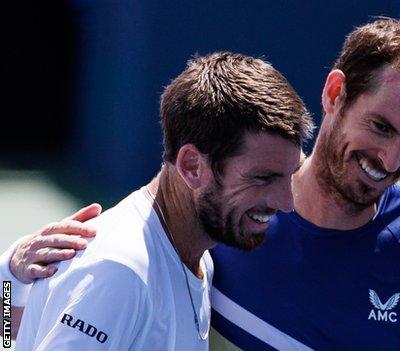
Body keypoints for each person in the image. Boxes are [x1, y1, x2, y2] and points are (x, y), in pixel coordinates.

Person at [3, 18, 400, 350]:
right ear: (336, 94)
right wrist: (12, 282)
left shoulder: (206, 247)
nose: (390, 158)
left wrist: (10, 285)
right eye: (381, 127)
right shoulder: (207, 233)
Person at [5, 52, 313, 350]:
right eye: (262, 178)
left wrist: (8, 279)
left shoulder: (197, 258)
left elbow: (10, 329)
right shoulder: (120, 272)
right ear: (193, 166)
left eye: (291, 175)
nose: (286, 202)